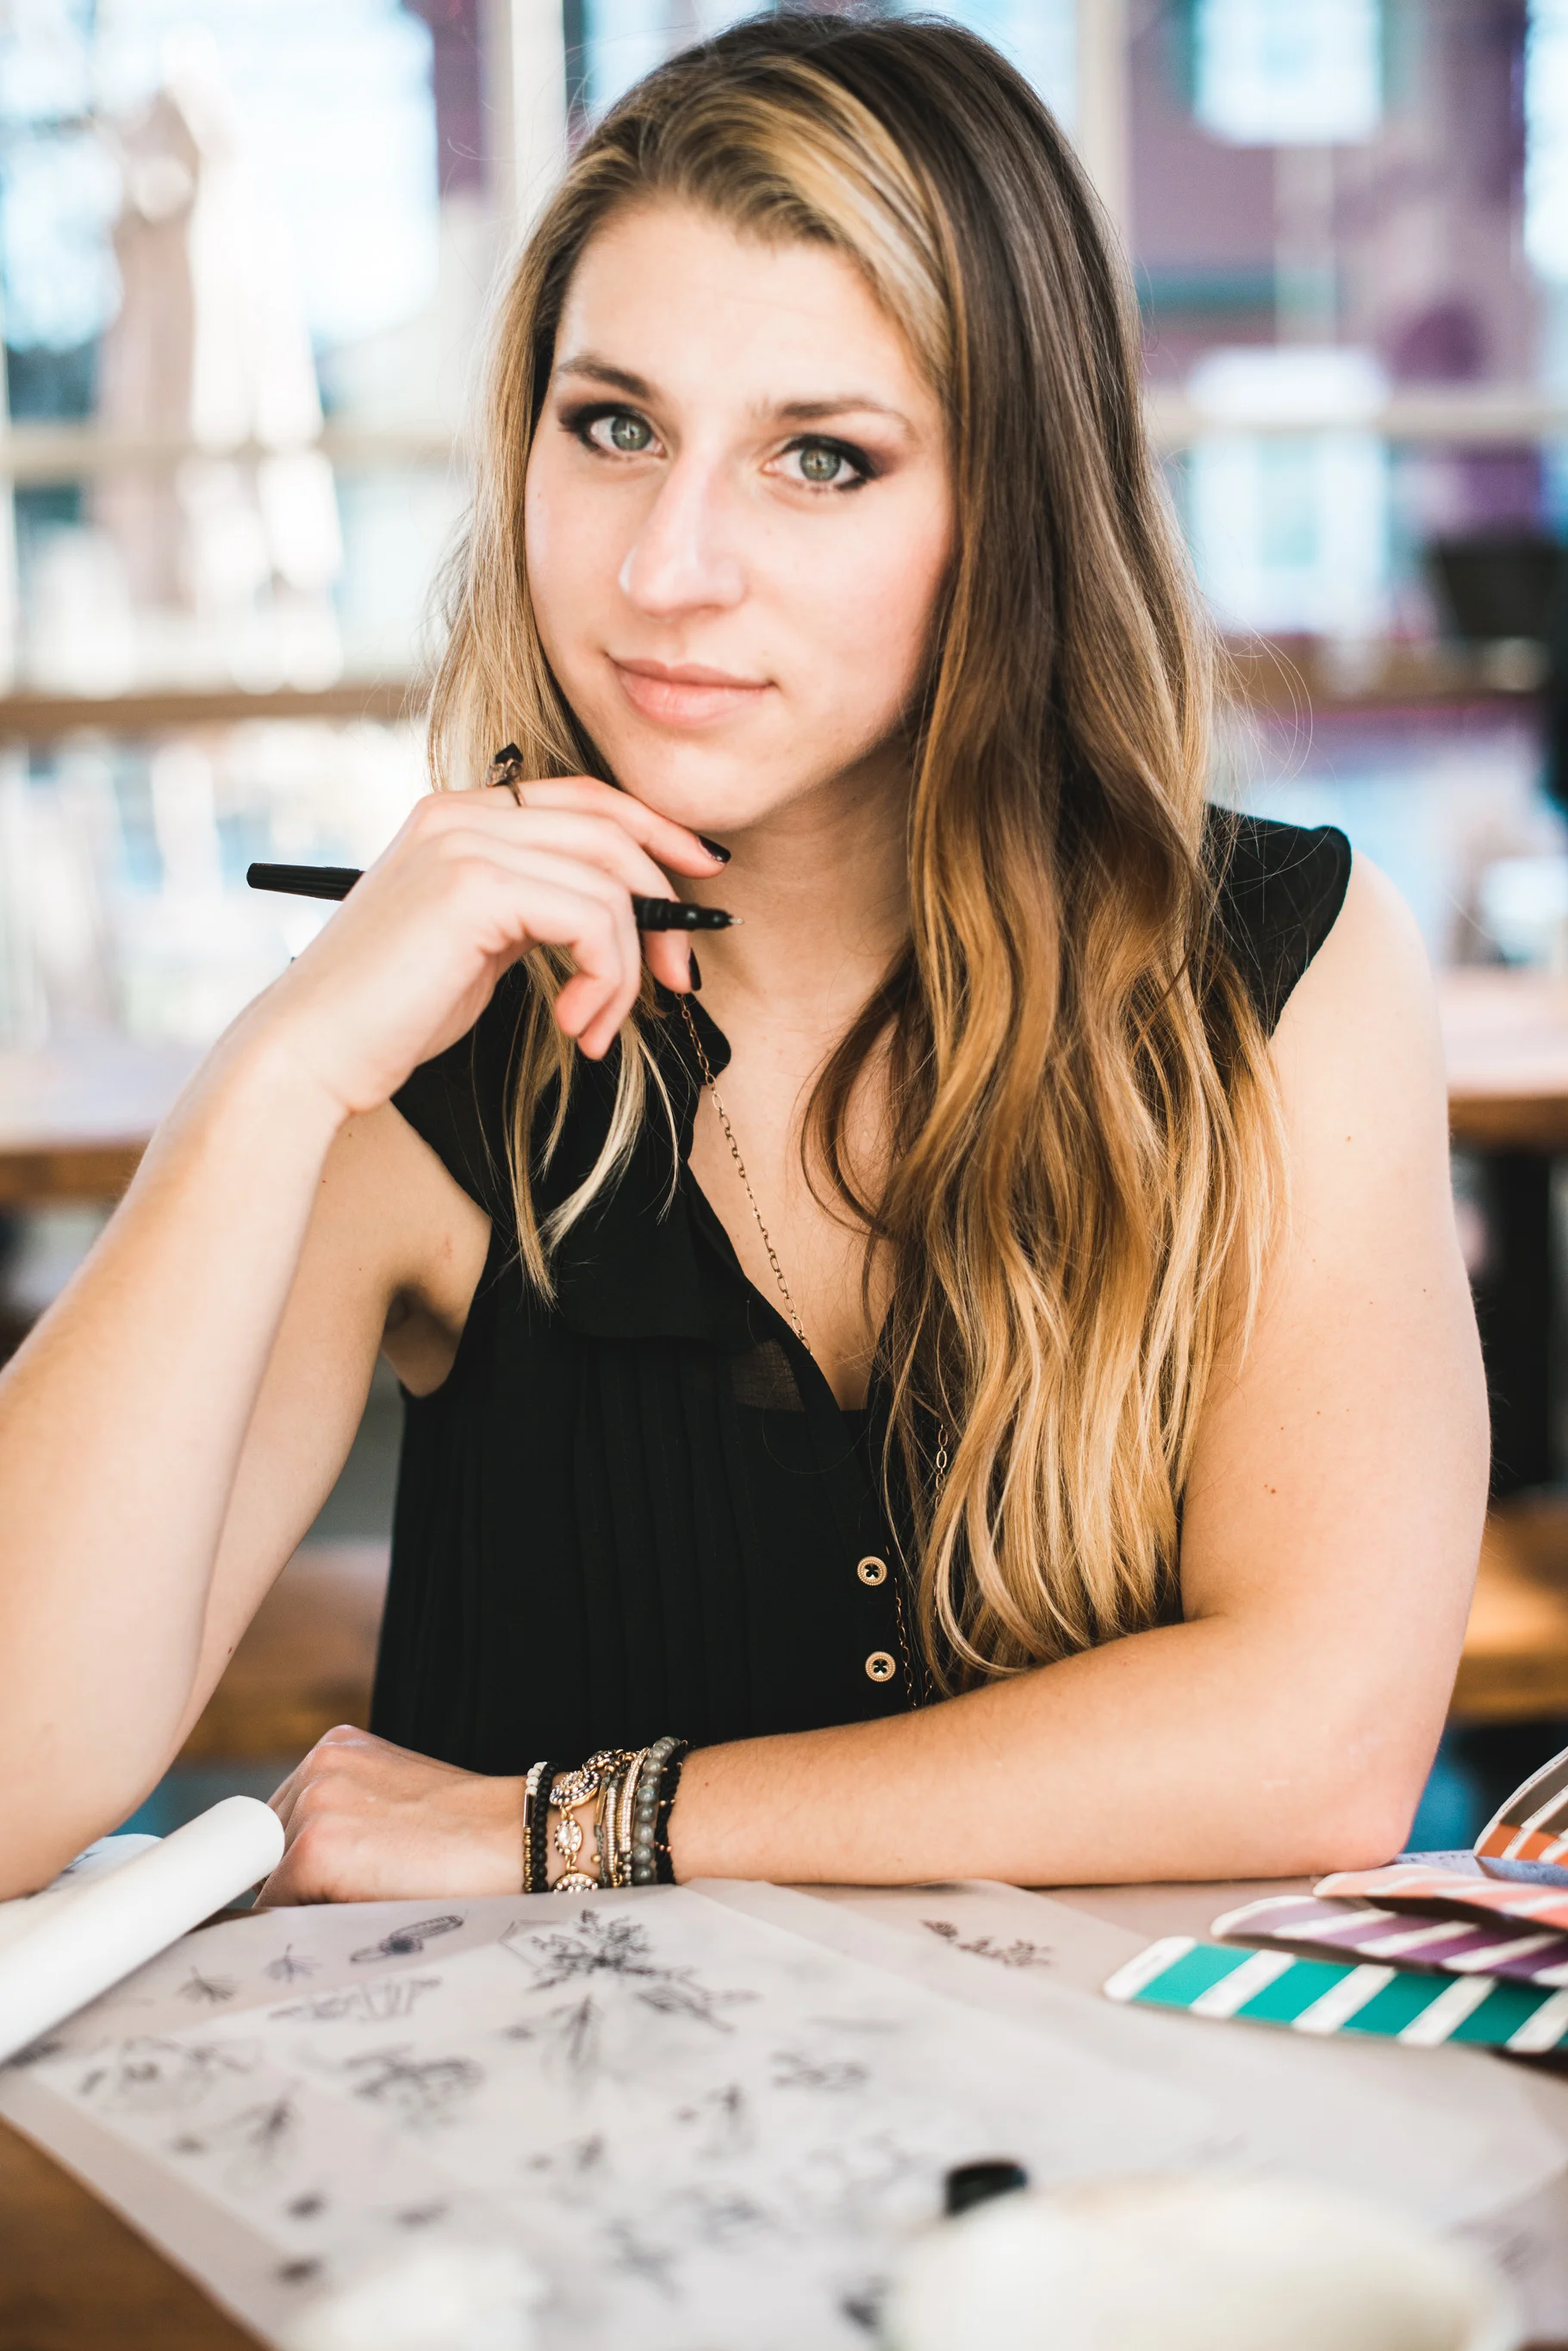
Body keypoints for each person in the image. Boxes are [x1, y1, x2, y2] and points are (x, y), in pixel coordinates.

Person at [0, 13, 1484, 1908]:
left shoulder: (1273, 972)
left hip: (1102, 2112)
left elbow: (1323, 1740)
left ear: (1011, 515)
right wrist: (277, 1069)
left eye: (822, 458)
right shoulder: (419, 1043)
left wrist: (562, 1821)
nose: (665, 567)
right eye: (613, 426)